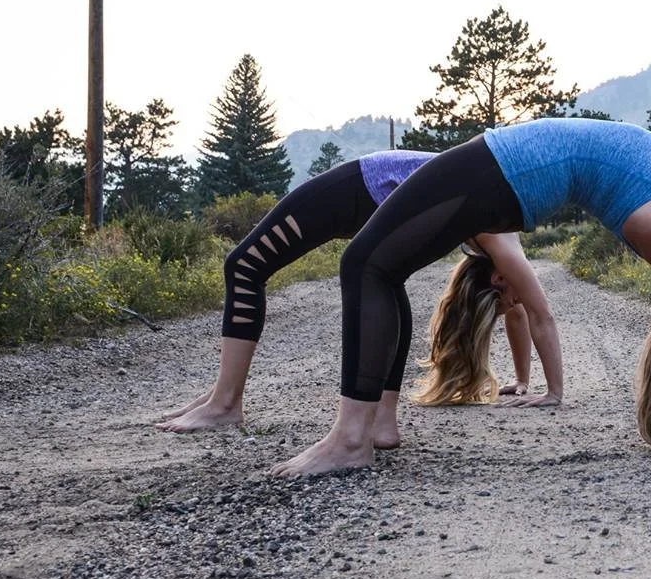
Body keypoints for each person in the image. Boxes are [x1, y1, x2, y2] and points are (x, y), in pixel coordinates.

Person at [270, 118, 651, 478]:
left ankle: (359, 435)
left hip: (520, 162)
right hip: (516, 164)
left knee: (369, 263)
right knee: (371, 264)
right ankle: (361, 433)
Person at [159, 150, 552, 444]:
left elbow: (531, 313)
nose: (514, 304)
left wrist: (541, 387)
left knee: (245, 264)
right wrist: (535, 384)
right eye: (510, 300)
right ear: (499, 279)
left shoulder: (500, 246)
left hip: (362, 187)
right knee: (387, 279)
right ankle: (380, 422)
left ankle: (225, 403)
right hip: (374, 183)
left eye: (508, 302)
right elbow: (532, 313)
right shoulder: (500, 244)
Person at [404, 233, 564, 407]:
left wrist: (554, 393)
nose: (517, 303)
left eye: (509, 302)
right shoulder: (495, 252)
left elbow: (542, 318)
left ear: (498, 279)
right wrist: (521, 380)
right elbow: (517, 315)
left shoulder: (504, 255)